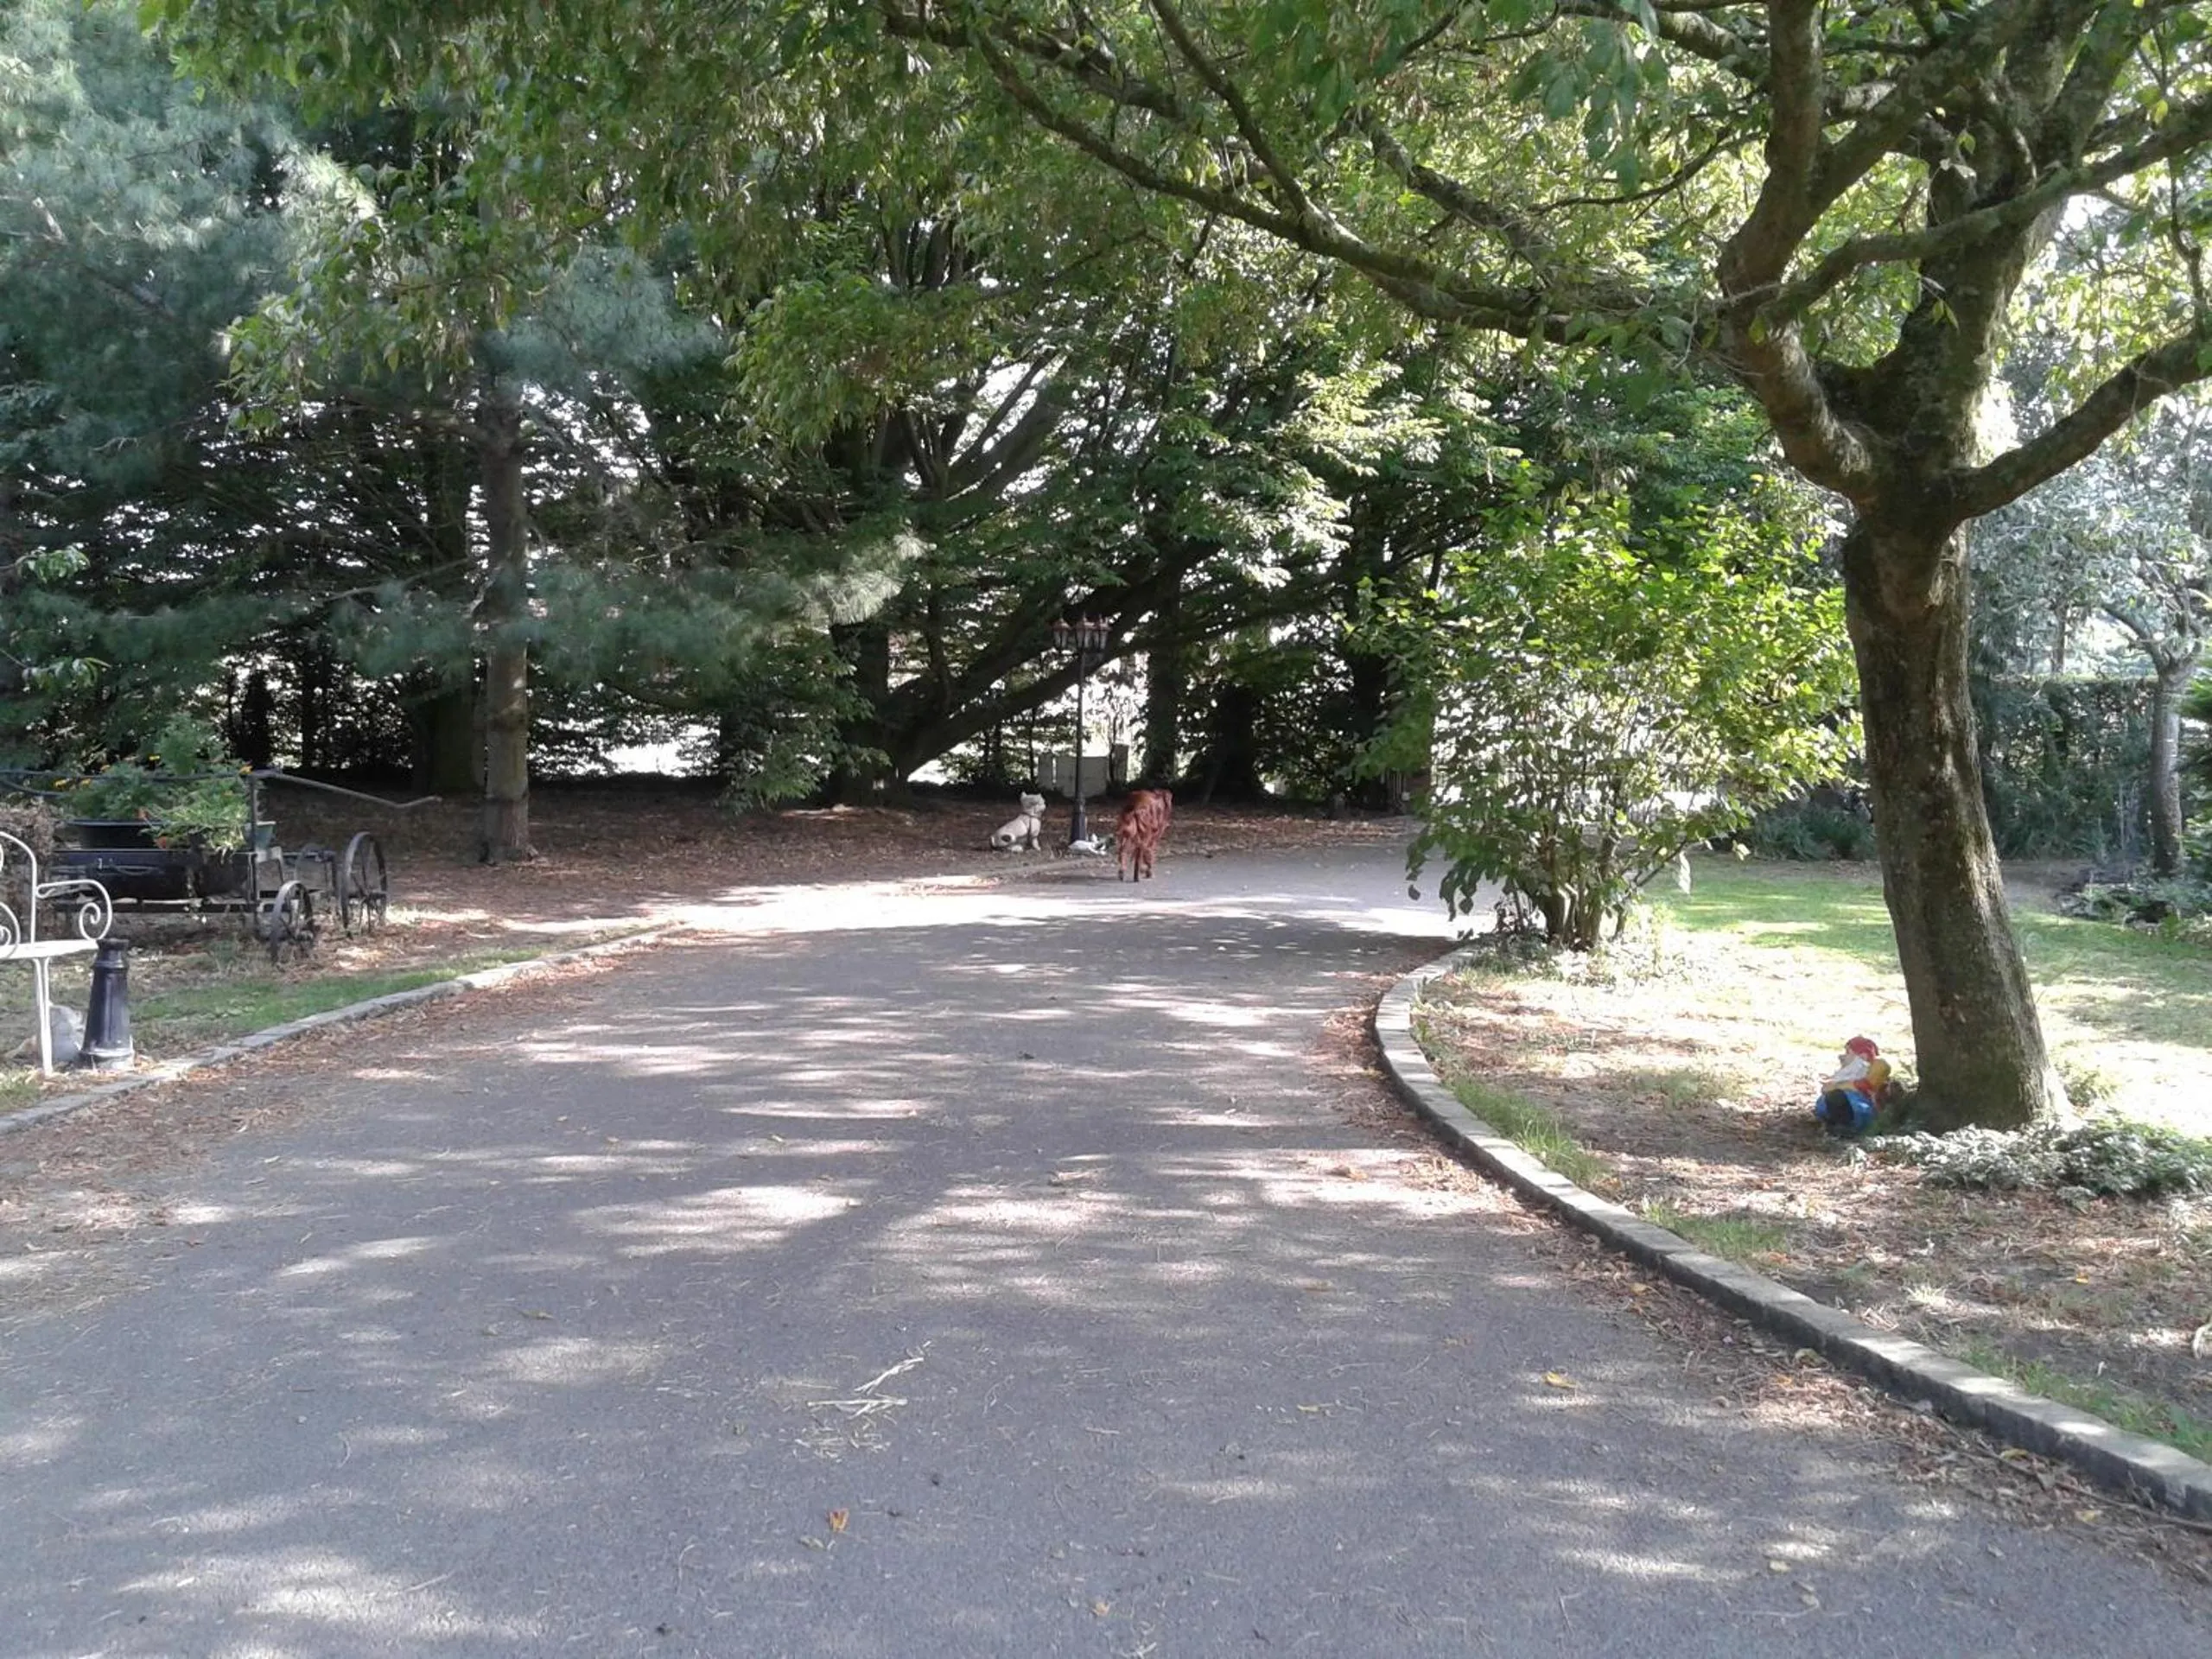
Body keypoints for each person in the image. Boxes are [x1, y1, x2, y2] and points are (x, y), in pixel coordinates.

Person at [1815, 1035, 1889, 1134]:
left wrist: (1840, 1086)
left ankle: (1846, 1127)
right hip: (1844, 1106)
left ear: (1862, 1056)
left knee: (1837, 1097)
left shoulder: (1869, 1070)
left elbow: (1866, 1085)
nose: (1841, 1057)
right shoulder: (1849, 1074)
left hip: (1859, 1109)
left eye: (1847, 1053)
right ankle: (1834, 1125)